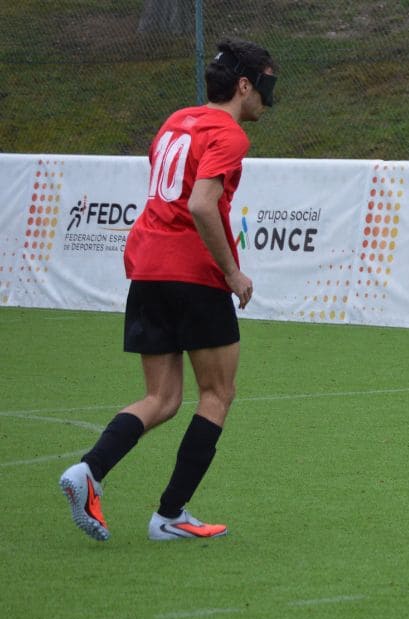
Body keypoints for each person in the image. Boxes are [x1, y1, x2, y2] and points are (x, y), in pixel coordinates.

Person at [58, 38, 277, 542]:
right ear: (244, 86)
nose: (267, 97)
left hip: (146, 266)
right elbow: (201, 205)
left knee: (161, 397)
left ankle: (88, 471)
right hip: (192, 273)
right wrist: (232, 273)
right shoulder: (230, 134)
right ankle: (170, 514)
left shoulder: (177, 120)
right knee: (218, 394)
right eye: (265, 86)